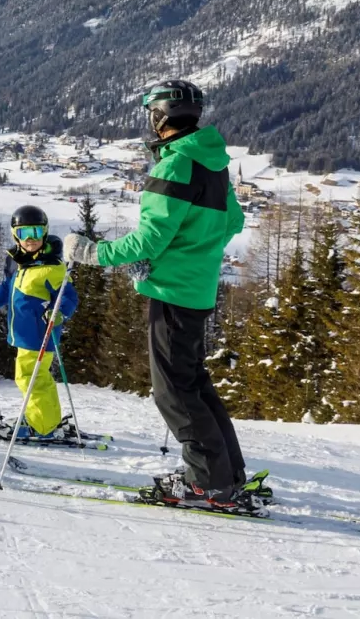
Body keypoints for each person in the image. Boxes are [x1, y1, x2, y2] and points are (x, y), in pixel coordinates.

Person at [67, 80, 248, 509]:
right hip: (197, 287)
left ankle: (208, 482)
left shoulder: (174, 164)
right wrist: (190, 254)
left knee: (174, 393)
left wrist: (94, 253)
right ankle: (227, 473)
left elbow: (149, 240)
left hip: (173, 292)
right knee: (194, 384)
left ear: (160, 117)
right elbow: (232, 223)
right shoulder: (213, 161)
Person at [0, 205, 77, 440]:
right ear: (15, 235)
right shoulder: (23, 265)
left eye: (36, 233)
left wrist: (59, 313)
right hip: (24, 334)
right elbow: (7, 289)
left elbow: (68, 296)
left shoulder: (52, 268)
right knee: (31, 378)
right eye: (24, 233)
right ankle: (39, 417)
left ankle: (44, 427)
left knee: (32, 379)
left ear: (45, 233)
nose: (30, 239)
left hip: (40, 334)